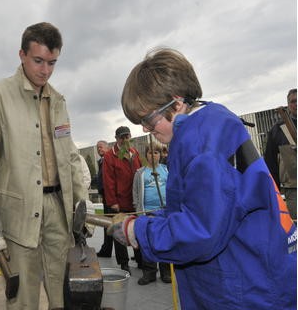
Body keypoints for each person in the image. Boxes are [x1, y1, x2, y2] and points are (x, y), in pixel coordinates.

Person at [110, 48, 296, 309]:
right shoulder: (210, 126)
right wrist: (153, 220)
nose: (145, 129)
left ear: (176, 103)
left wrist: (139, 232)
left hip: (242, 289)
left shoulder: (200, 143)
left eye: (148, 119)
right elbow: (202, 205)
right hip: (252, 271)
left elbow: (201, 231)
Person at [0, 22, 88, 309]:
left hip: (58, 212)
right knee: (23, 300)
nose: (45, 70)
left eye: (52, 63)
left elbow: (70, 156)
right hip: (18, 218)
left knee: (66, 293)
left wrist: (82, 207)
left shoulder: (58, 101)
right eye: (38, 61)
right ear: (21, 54)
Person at [102, 126, 142, 273]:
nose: (125, 140)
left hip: (135, 200)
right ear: (117, 138)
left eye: (127, 136)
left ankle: (140, 259)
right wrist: (112, 201)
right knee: (119, 232)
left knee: (137, 230)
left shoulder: (134, 152)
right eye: (122, 137)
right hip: (120, 200)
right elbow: (108, 180)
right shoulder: (109, 156)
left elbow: (140, 172)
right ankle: (124, 263)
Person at [132, 143, 170, 285]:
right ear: (146, 155)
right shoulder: (140, 173)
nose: (153, 155)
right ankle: (149, 273)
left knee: (165, 241)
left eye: (156, 152)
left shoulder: (166, 170)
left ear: (160, 155)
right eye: (150, 152)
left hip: (164, 213)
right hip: (146, 213)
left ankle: (166, 272)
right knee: (147, 243)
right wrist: (138, 209)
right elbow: (135, 192)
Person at [264, 88, 297, 220]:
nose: (296, 104)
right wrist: (274, 189)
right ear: (288, 105)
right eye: (293, 101)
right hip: (293, 189)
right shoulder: (277, 130)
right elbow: (270, 161)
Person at [95, 140, 114, 258]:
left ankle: (106, 250)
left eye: (101, 147)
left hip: (110, 198)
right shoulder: (102, 161)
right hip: (105, 197)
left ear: (107, 148)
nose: (99, 149)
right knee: (106, 225)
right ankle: (106, 249)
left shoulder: (108, 159)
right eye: (97, 148)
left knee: (110, 225)